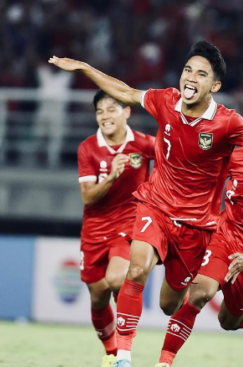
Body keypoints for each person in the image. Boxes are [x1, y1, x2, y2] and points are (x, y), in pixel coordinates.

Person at [50, 40, 243, 367]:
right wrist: (84, 67)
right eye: (187, 70)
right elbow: (125, 91)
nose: (190, 78)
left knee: (177, 306)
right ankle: (123, 356)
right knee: (136, 269)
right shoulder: (165, 100)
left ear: (215, 85)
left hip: (196, 228)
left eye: (201, 73)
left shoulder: (229, 124)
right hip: (155, 206)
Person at [156, 112, 243, 366]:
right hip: (223, 238)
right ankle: (164, 362)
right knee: (199, 294)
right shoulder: (236, 157)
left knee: (229, 321)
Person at [77, 90, 155, 367]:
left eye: (111, 109)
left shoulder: (145, 144)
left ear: (127, 112)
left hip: (128, 225)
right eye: (100, 111)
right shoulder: (88, 148)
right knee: (98, 296)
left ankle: (124, 355)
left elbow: (175, 157)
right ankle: (112, 355)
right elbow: (87, 197)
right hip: (94, 230)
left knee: (117, 280)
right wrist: (111, 177)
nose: (105, 116)